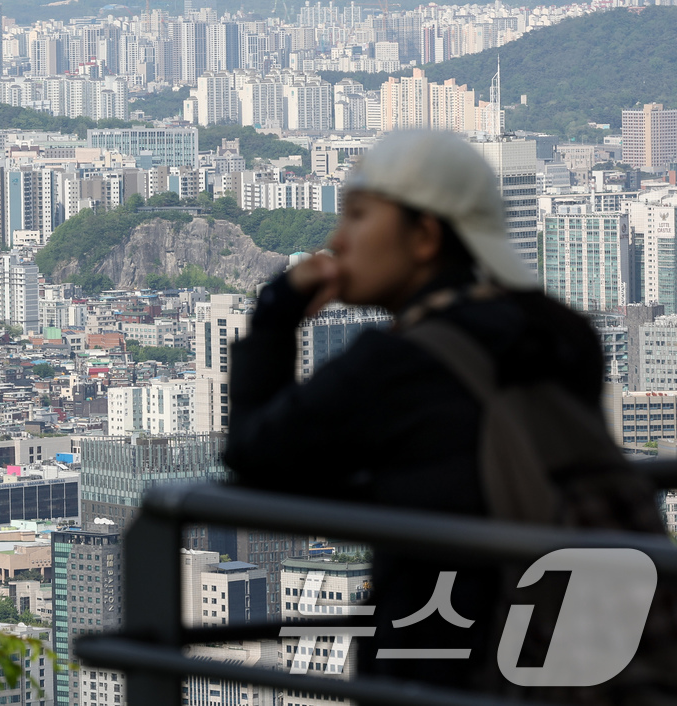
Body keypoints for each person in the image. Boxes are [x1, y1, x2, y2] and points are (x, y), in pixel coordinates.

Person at [224, 129, 604, 690]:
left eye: (357, 216)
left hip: (445, 658)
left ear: (424, 236)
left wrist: (277, 312)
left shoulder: (398, 364)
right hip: (568, 645)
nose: (337, 238)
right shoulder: (564, 332)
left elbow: (255, 452)